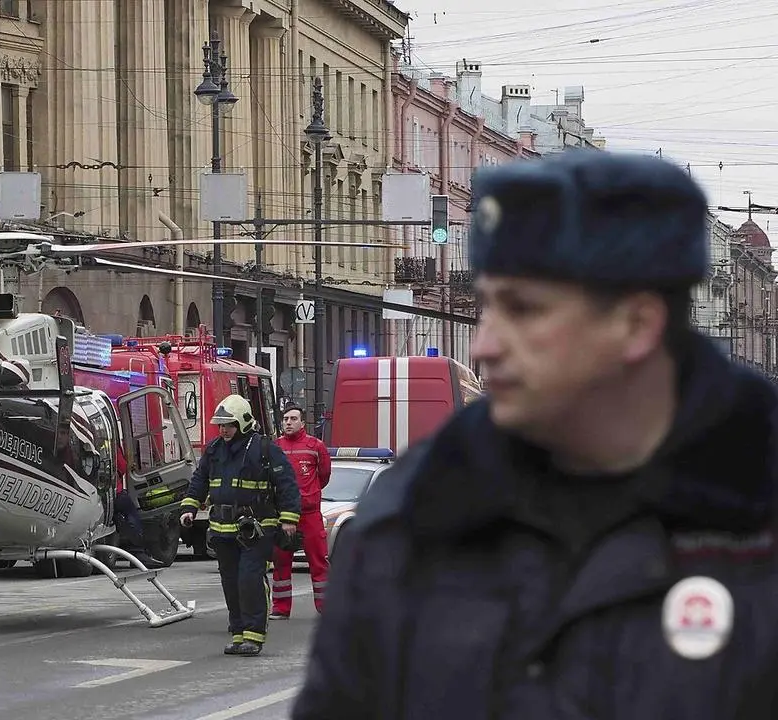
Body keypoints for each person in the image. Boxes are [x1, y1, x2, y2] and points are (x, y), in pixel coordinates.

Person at [292, 150, 778, 718]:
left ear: (637, 324)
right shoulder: (416, 513)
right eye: (486, 307)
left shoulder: (755, 514)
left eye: (523, 310)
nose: (484, 346)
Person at [179, 394, 302, 657]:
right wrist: (189, 507)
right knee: (231, 583)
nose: (223, 430)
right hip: (222, 530)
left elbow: (287, 484)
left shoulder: (264, 449)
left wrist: (289, 518)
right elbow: (200, 480)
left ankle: (254, 636)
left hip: (256, 528)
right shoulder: (214, 450)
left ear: (244, 423)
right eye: (221, 425)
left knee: (249, 580)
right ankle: (238, 634)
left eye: (229, 425)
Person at [270, 405, 332, 618]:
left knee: (318, 562)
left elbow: (323, 476)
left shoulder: (316, 446)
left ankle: (326, 608)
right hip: (283, 514)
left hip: (309, 514)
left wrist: (308, 496)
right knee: (280, 562)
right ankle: (280, 608)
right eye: (285, 418)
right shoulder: (275, 446)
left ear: (303, 422)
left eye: (293, 418)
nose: (288, 422)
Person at [112, 442, 165, 570]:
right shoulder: (111, 442)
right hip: (113, 491)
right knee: (129, 510)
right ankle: (137, 551)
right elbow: (121, 465)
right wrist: (128, 464)